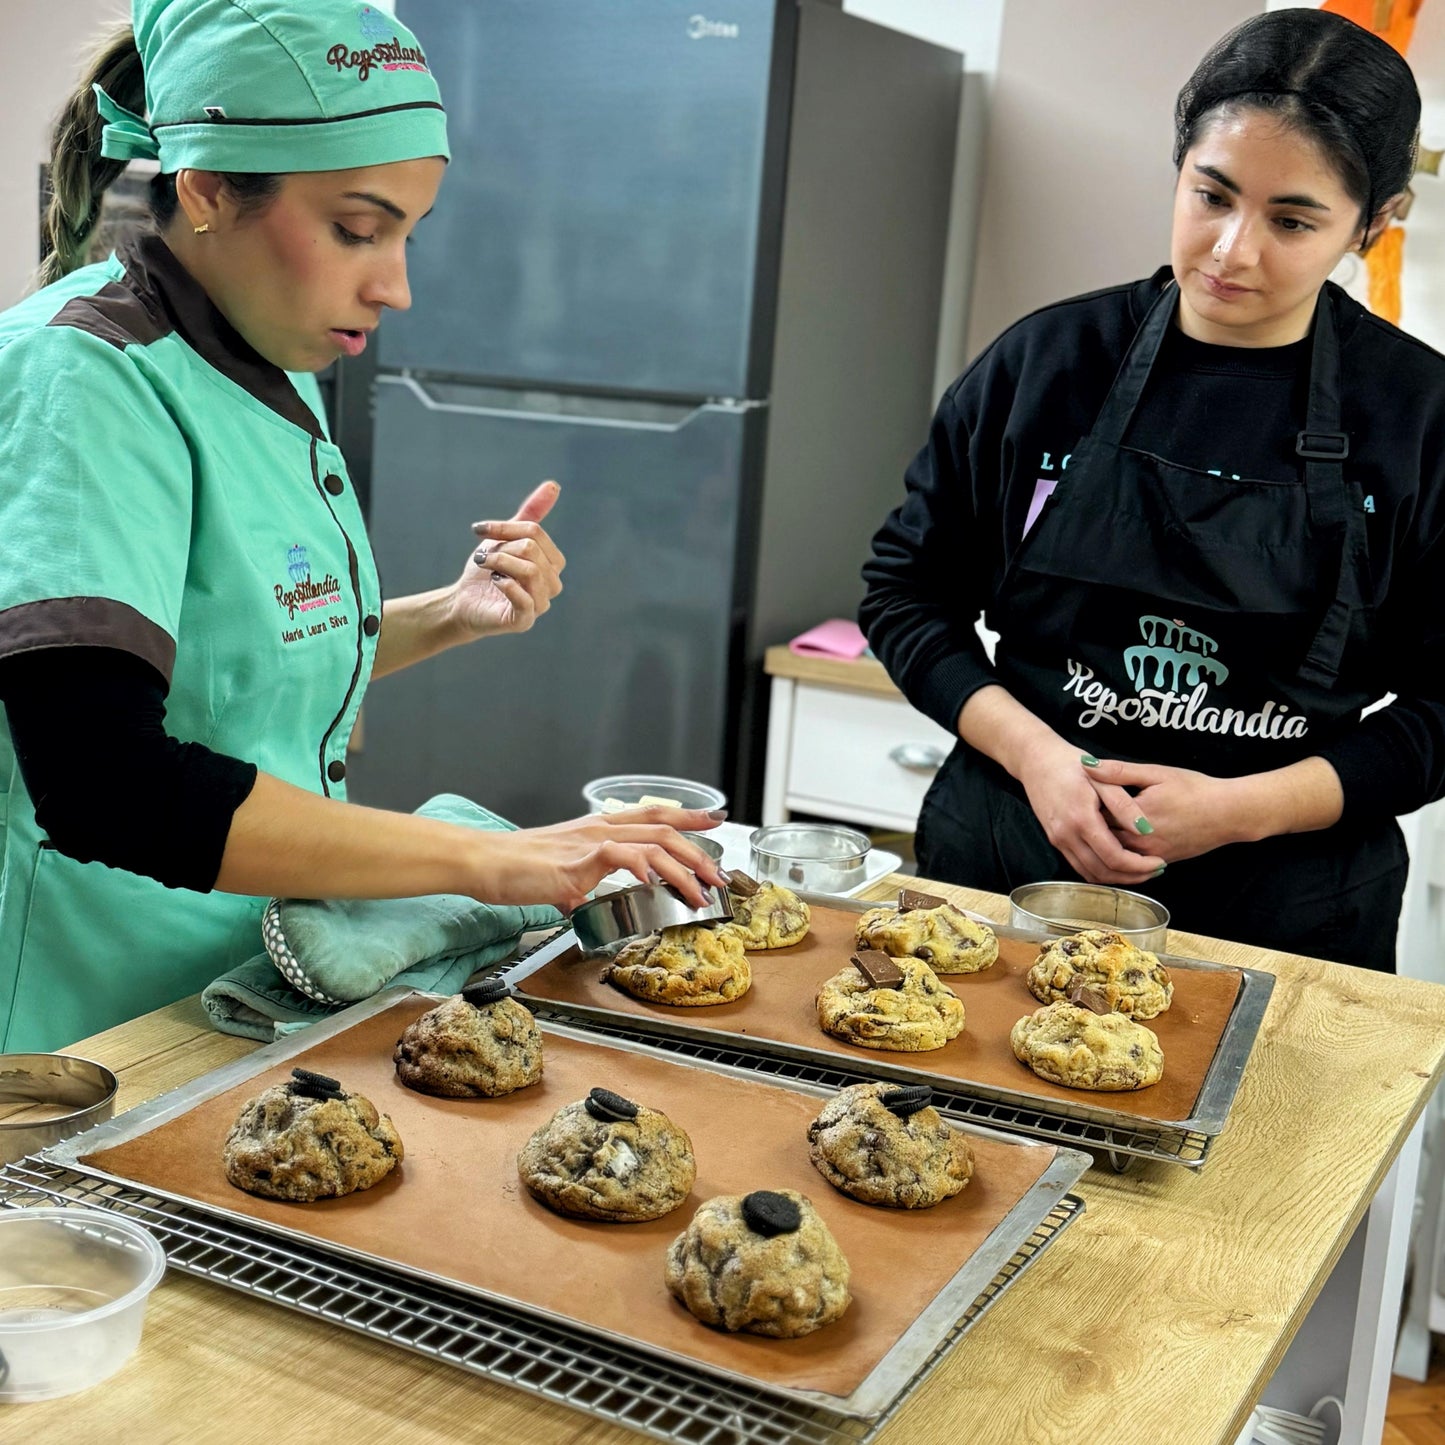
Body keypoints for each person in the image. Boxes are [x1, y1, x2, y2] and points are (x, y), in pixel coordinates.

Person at [0, 0, 727, 1054]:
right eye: (356, 228)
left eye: (405, 233)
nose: (395, 285)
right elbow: (105, 779)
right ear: (205, 190)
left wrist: (448, 613)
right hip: (87, 1027)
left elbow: (230, 667)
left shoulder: (266, 362)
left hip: (242, 979)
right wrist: (494, 858)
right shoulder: (81, 379)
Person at [861, 8, 1443, 971]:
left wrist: (1246, 807)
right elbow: (904, 592)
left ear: (1375, 223)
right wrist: (1042, 760)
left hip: (1288, 916)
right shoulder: (1044, 366)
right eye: (1209, 195)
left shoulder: (1416, 419)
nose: (1229, 250)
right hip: (1007, 871)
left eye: (1291, 220)